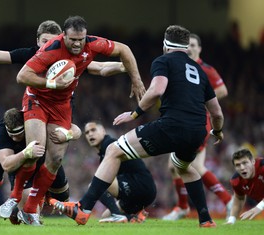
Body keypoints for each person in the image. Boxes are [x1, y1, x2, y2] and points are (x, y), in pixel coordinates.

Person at [50, 25, 224, 228]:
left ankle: (84, 208)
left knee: (114, 150)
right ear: (186, 47)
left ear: (166, 45)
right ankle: (206, 219)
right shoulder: (200, 72)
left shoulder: (163, 60)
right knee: (183, 167)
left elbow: (157, 89)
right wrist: (217, 131)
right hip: (197, 131)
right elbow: (217, 112)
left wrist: (135, 113)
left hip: (172, 125)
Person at [15, 15, 146, 225]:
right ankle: (14, 198)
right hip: (37, 99)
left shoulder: (92, 44)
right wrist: (52, 84)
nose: (77, 43)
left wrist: (135, 78)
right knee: (35, 150)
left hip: (61, 105)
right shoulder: (51, 49)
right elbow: (22, 76)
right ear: (63, 36)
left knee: (56, 158)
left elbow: (124, 50)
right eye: (73, 39)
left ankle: (29, 209)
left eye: (81, 39)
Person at [163, 33, 231, 220]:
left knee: (193, 166)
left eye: (194, 45)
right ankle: (182, 207)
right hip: (185, 120)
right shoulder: (183, 66)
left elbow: (223, 90)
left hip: (200, 120)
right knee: (173, 165)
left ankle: (226, 201)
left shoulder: (204, 68)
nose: (190, 48)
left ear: (199, 48)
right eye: (187, 45)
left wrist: (197, 96)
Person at [0, 107, 81, 224]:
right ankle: (1, 187)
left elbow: (77, 130)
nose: (14, 139)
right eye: (11, 135)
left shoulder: (37, 120)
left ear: (26, 125)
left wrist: (67, 135)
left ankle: (42, 199)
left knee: (62, 199)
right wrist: (26, 153)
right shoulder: (2, 129)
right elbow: (6, 164)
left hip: (45, 162)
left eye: (18, 134)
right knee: (31, 216)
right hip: (20, 166)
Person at [84, 121, 156, 223]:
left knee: (95, 185)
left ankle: (117, 215)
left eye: (93, 130)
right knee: (104, 217)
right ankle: (133, 218)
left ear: (103, 131)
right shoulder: (105, 151)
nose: (90, 134)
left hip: (140, 184)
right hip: (144, 191)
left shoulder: (109, 144)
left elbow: (105, 183)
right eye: (87, 133)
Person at [225, 148, 264, 225]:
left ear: (253, 161)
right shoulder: (236, 180)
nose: (242, 168)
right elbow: (239, 199)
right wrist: (231, 220)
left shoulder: (262, 166)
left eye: (245, 163)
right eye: (238, 165)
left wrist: (259, 207)